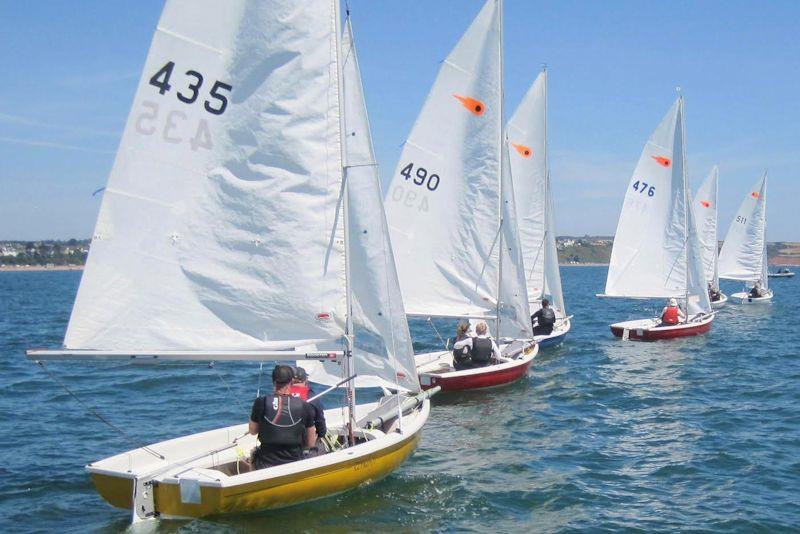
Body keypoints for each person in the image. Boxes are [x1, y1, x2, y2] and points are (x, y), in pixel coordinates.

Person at [249, 365, 316, 469]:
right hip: (295, 461)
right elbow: (311, 442)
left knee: (253, 453)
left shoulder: (260, 402)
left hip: (266, 463)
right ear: (291, 382)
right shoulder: (304, 405)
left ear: (274, 382)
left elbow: (253, 431)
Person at [291, 366, 326, 440]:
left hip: (281, 438)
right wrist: (321, 434)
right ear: (306, 380)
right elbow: (320, 422)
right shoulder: (311, 396)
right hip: (303, 441)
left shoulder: (282, 393)